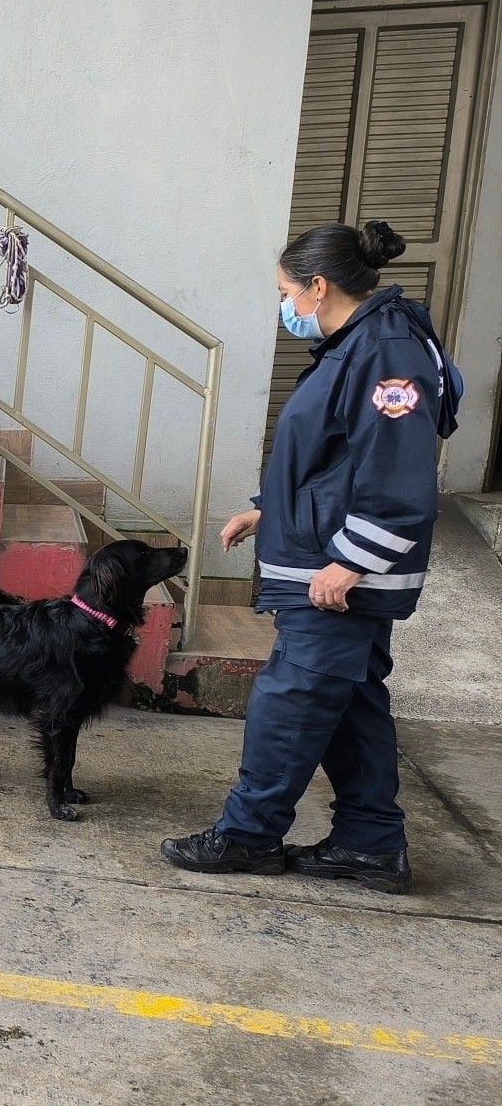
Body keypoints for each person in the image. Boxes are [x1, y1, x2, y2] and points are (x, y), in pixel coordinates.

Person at [162, 221, 462, 895]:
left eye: (285, 293)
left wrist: (352, 562)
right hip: (325, 561)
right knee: (350, 705)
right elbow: (333, 461)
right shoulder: (352, 346)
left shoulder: (386, 353)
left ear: (319, 287)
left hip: (338, 579)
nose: (284, 307)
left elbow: (398, 476)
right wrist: (269, 511)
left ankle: (246, 836)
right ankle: (371, 844)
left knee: (289, 704)